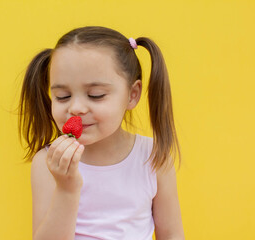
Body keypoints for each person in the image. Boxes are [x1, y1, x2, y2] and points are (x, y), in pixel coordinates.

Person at [18, 26, 185, 240]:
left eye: (95, 95)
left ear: (132, 95)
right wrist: (66, 189)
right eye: (62, 96)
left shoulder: (154, 157)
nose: (76, 108)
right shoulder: (47, 162)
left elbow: (172, 235)